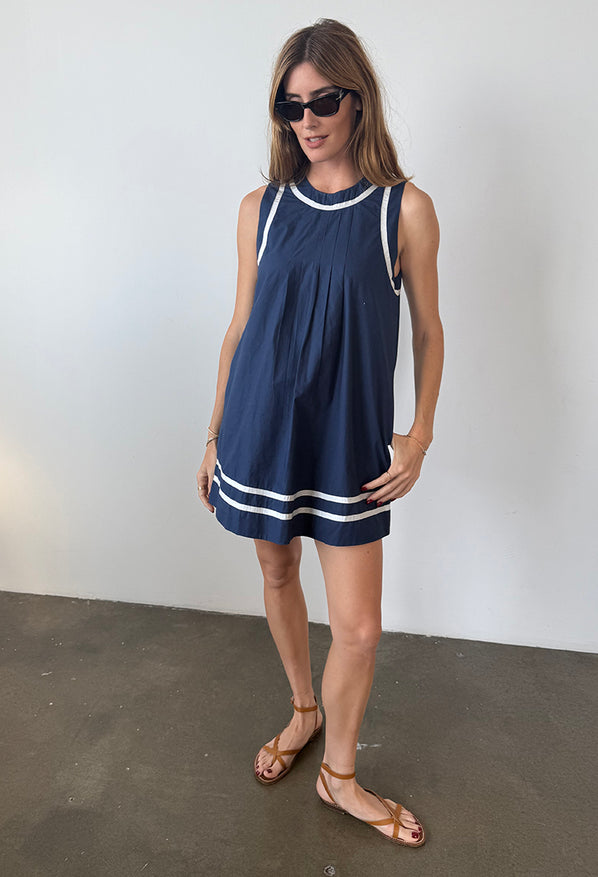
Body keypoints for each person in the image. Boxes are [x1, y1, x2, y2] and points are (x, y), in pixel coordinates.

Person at [196, 18, 443, 848]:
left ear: (357, 98)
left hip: (346, 442)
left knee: (362, 627)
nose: (307, 117)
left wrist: (419, 433)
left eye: (324, 99)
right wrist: (214, 433)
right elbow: (239, 328)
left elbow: (429, 331)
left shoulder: (402, 209)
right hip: (262, 430)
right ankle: (303, 707)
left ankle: (339, 773)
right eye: (289, 104)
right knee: (275, 568)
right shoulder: (259, 208)